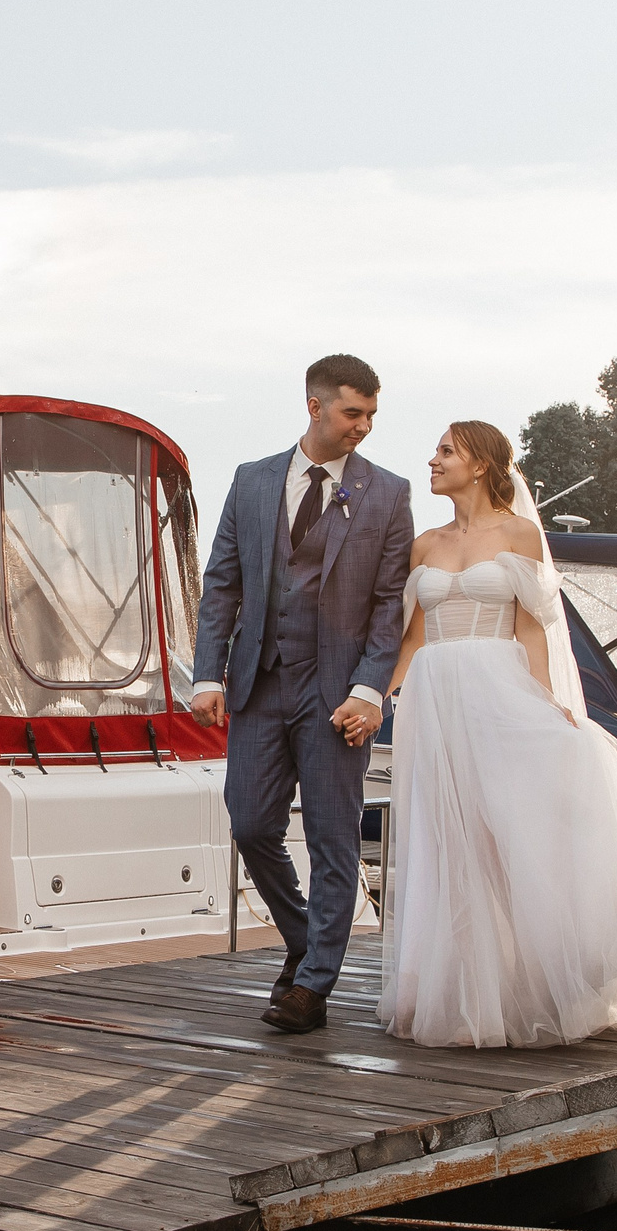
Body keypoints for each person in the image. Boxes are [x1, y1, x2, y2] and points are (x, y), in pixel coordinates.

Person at [377, 420, 617, 1047]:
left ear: (482, 464)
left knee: (517, 832)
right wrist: (376, 695)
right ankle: (471, 997)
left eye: (446, 451)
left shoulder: (521, 535)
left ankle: (568, 976)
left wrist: (549, 703)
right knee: (451, 841)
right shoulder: (423, 545)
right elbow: (412, 639)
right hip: (436, 701)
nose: (433, 459)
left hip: (500, 691)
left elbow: (530, 630)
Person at [191, 355, 415, 1034]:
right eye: (353, 413)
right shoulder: (252, 480)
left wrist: (370, 689)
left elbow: (388, 609)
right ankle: (304, 940)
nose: (363, 427)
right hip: (260, 683)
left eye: (372, 415)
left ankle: (312, 984)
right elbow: (222, 583)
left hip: (338, 697)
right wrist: (208, 675)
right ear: (315, 405)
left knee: (332, 838)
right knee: (252, 822)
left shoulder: (389, 493)